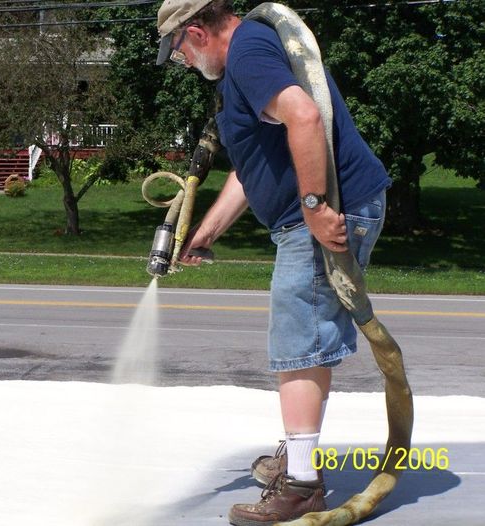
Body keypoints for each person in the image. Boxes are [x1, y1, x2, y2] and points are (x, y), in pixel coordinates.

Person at [155, 0, 392, 524]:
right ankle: (299, 454)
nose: (185, 64)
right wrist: (208, 231)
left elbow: (304, 117)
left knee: (297, 343)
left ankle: (303, 484)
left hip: (327, 208)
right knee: (306, 339)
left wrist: (313, 207)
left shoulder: (246, 53)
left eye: (180, 54)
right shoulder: (250, 57)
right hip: (325, 207)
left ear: (196, 32)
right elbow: (253, 166)